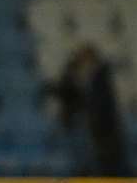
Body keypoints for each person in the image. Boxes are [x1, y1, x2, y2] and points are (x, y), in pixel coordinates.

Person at [45, 44, 131, 176]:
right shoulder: (75, 74)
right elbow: (70, 94)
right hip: (85, 122)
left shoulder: (99, 75)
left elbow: (99, 101)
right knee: (87, 152)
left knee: (104, 154)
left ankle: (103, 176)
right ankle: (88, 174)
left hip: (101, 124)